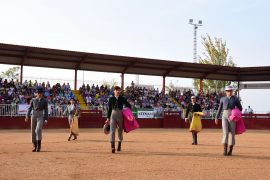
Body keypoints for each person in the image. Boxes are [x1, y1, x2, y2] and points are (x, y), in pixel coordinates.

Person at [215, 85, 242, 156]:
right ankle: (225, 150)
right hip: (224, 115)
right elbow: (219, 108)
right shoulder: (222, 99)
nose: (229, 92)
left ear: (232, 91)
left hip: (232, 116)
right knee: (225, 132)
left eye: (230, 91)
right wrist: (216, 117)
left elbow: (240, 108)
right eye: (228, 91)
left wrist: (236, 113)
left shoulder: (235, 99)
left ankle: (230, 150)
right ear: (226, 91)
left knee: (232, 133)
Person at [106, 86, 131, 153]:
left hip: (120, 115)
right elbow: (109, 109)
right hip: (113, 115)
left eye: (119, 90)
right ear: (114, 91)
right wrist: (108, 118)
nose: (118, 91)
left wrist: (128, 113)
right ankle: (113, 146)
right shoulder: (111, 99)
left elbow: (129, 105)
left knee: (120, 130)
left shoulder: (122, 98)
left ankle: (119, 143)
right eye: (116, 90)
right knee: (112, 130)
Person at [25, 87, 48, 152]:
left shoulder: (45, 101)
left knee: (38, 130)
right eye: (38, 93)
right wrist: (27, 116)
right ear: (36, 93)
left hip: (40, 115)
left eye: (40, 93)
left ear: (42, 93)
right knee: (33, 131)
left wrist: (46, 118)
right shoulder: (33, 100)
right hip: (34, 115)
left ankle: (39, 146)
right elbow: (29, 108)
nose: (39, 94)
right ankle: (35, 146)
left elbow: (46, 110)